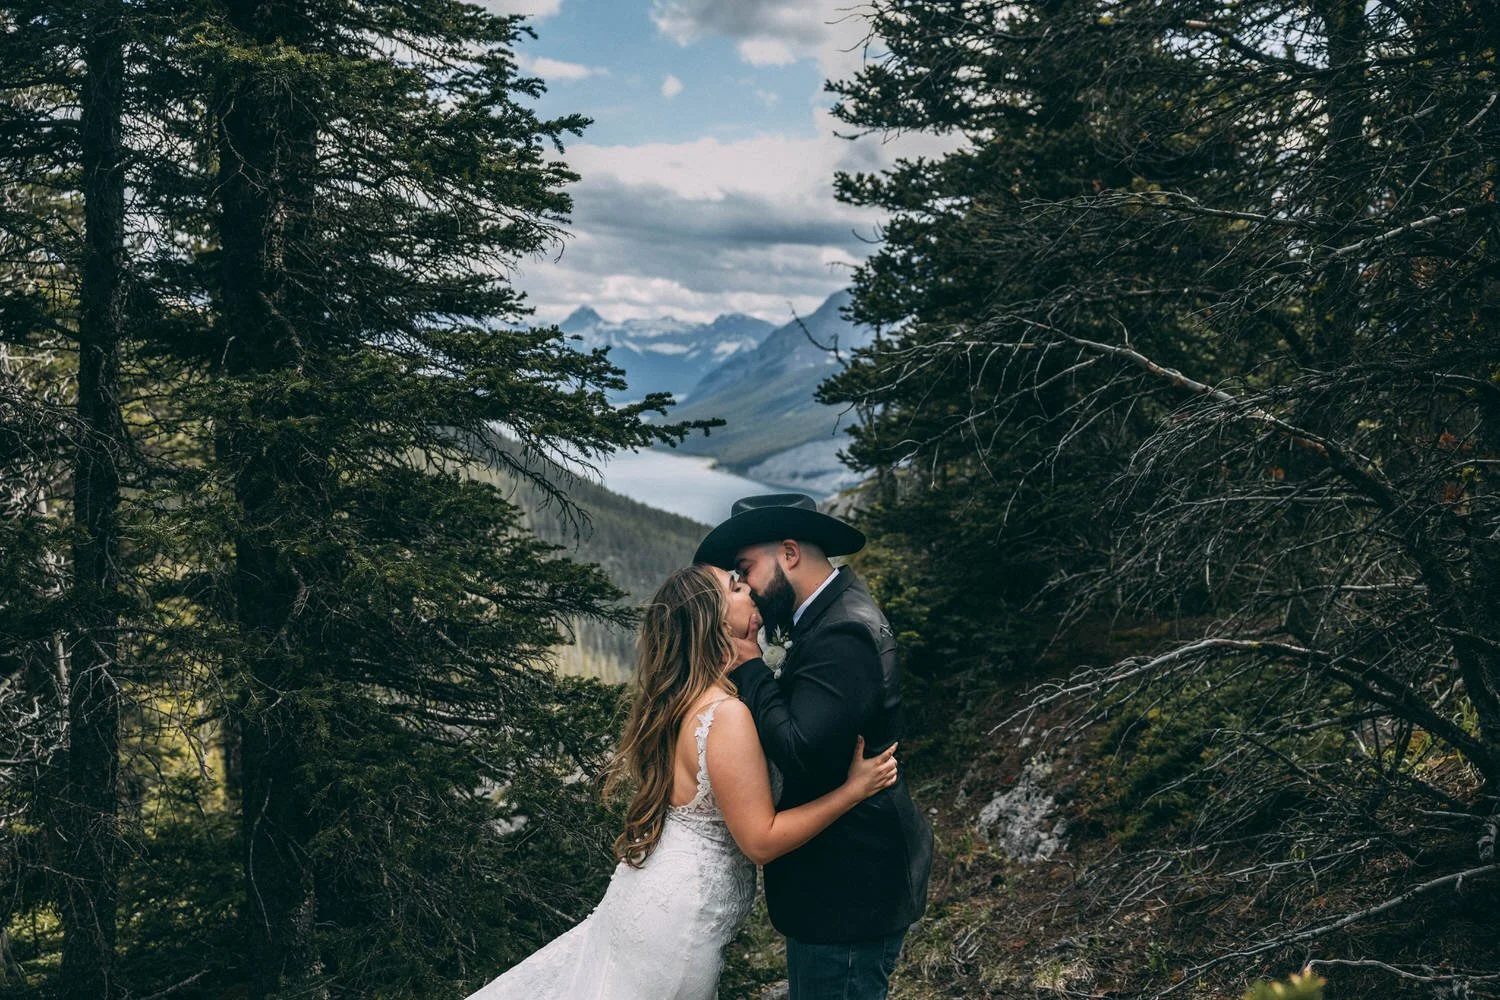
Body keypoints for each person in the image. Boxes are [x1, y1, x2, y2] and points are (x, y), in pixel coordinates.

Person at [467, 563, 899, 1000]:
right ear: (711, 619)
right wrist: (852, 791)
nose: (749, 588)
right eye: (735, 586)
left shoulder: (683, 699)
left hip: (649, 899)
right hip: (680, 922)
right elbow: (761, 841)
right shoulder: (726, 715)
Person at [694, 493, 934, 1000]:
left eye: (746, 569)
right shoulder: (827, 614)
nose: (750, 591)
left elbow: (800, 749)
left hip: (848, 891)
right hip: (840, 885)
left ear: (789, 552)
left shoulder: (843, 630)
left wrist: (748, 666)